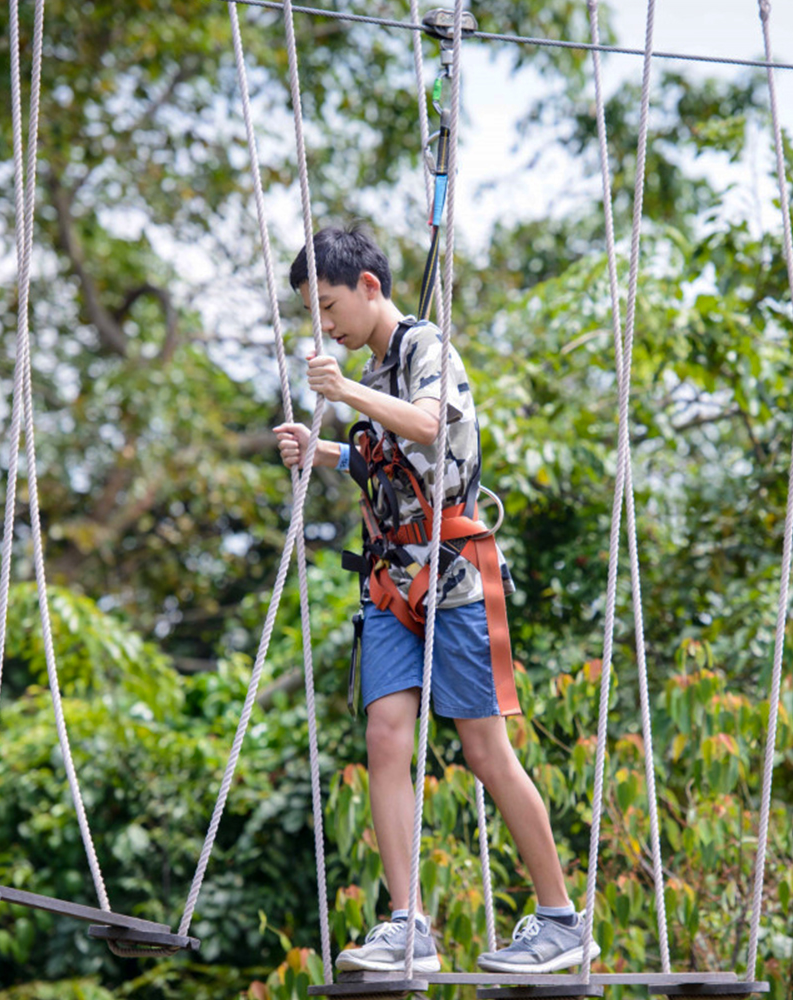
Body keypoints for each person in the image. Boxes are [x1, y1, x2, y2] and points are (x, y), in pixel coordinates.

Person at [274, 223, 599, 975]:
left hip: (452, 575)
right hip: (391, 581)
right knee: (386, 736)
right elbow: (385, 456)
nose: (324, 325)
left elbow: (430, 424)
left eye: (328, 306)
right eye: (312, 312)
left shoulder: (425, 350)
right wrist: (317, 448)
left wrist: (343, 391)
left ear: (369, 288)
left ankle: (561, 919)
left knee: (484, 748)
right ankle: (407, 921)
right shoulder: (369, 370)